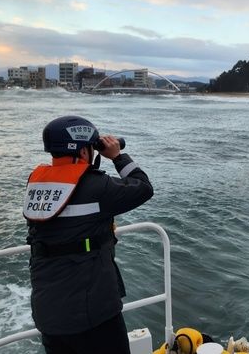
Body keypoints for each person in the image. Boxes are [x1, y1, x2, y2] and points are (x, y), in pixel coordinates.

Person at [24, 116, 153, 354]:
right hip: (93, 312)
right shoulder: (97, 187)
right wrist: (117, 156)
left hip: (48, 312)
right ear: (84, 151)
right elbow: (143, 188)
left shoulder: (35, 183)